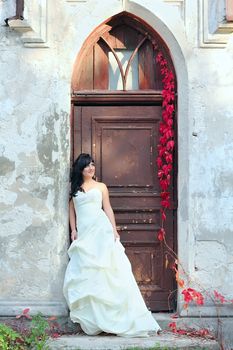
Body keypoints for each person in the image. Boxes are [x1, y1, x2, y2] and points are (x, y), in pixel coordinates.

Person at [63, 153, 161, 337]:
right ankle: (95, 318)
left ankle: (115, 316)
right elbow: (71, 209)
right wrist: (73, 229)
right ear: (80, 169)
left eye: (92, 164)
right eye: (86, 166)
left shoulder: (101, 187)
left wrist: (114, 230)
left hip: (101, 230)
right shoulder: (75, 188)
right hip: (85, 233)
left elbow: (107, 208)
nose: (91, 168)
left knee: (108, 269)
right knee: (87, 270)